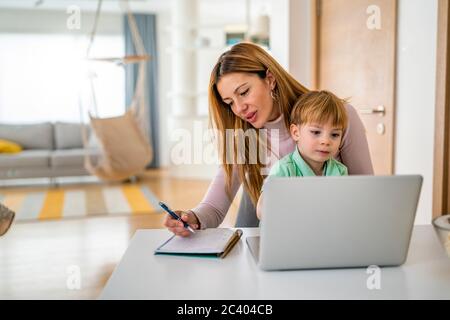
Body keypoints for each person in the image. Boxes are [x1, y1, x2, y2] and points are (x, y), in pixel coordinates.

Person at [164, 42, 373, 237]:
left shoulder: (338, 117)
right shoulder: (242, 137)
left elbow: (366, 193)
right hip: (276, 239)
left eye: (244, 92)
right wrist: (192, 218)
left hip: (330, 235)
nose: (238, 108)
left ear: (270, 79)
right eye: (229, 102)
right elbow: (214, 207)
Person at [256, 90, 349, 219]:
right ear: (295, 133)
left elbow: (343, 211)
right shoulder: (284, 169)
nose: (326, 141)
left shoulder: (340, 171)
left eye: (334, 135)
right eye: (316, 132)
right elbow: (261, 211)